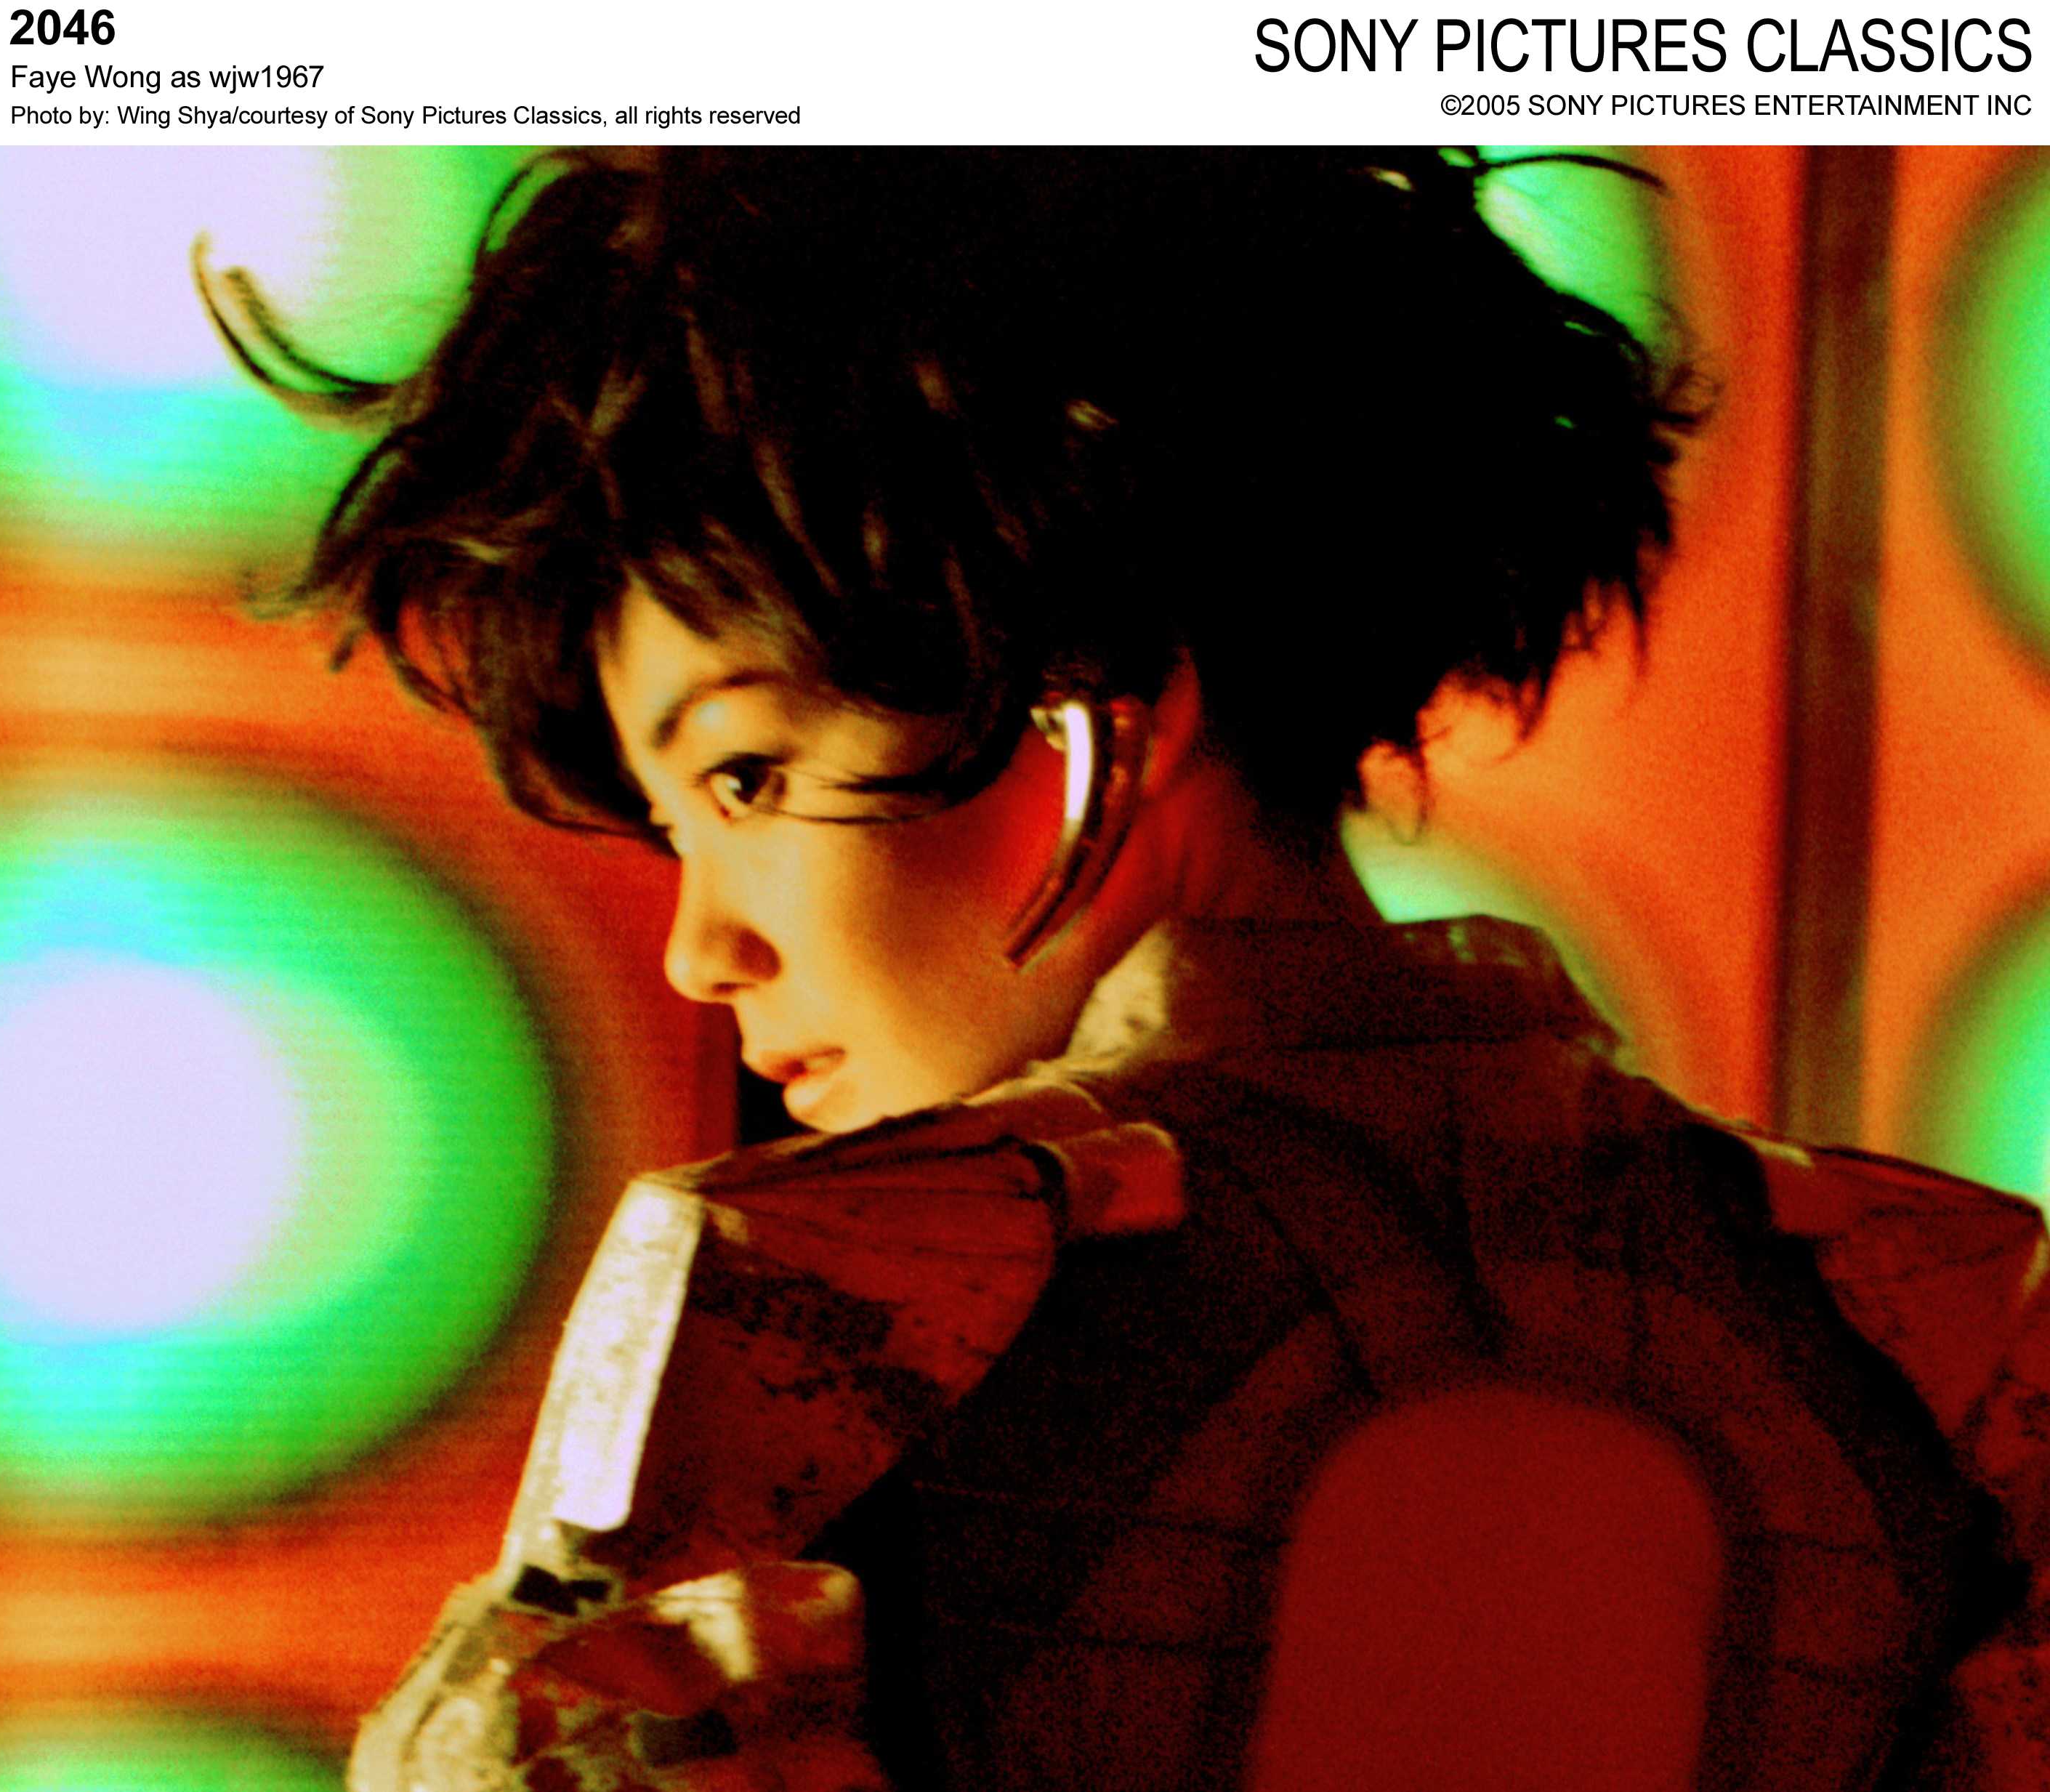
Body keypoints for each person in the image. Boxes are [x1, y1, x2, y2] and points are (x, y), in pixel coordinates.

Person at [210, 149, 2050, 1790]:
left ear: (1104, 702)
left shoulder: (808, 1304)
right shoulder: (1926, 1318)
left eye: (750, 776)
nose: (705, 950)